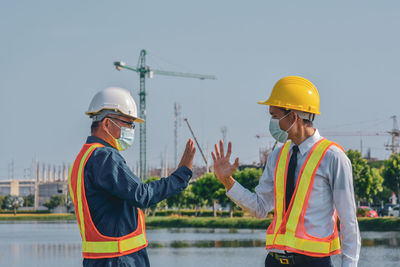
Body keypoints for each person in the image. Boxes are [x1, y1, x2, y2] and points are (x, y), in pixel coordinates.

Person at [211, 76, 360, 267]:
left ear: (293, 116)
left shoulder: (333, 158)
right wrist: (227, 181)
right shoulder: (277, 156)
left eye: (274, 116)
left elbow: (348, 221)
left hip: (313, 263)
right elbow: (260, 207)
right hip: (275, 262)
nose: (272, 122)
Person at [68, 87, 196, 267]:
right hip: (119, 260)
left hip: (98, 261)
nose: (131, 129)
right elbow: (142, 195)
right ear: (106, 124)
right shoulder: (105, 157)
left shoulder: (83, 158)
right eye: (127, 123)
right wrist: (181, 174)